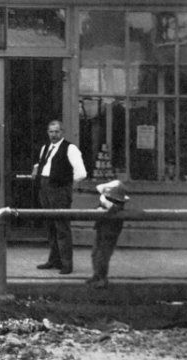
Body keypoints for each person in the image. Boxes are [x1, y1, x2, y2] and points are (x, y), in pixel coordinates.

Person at [32, 120, 87, 275]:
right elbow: (43, 163)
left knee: (62, 227)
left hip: (60, 191)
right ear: (47, 132)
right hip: (44, 189)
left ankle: (67, 264)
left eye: (57, 132)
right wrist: (36, 169)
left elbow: (81, 173)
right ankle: (54, 260)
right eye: (51, 131)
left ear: (62, 132)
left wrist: (64, 183)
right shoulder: (45, 147)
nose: (54, 135)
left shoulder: (70, 148)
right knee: (50, 226)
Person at [85, 180, 129, 289]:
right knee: (95, 253)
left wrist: (105, 210)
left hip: (110, 234)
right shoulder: (106, 204)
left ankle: (102, 278)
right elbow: (96, 209)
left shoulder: (117, 208)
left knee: (103, 256)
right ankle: (96, 275)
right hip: (101, 230)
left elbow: (111, 214)